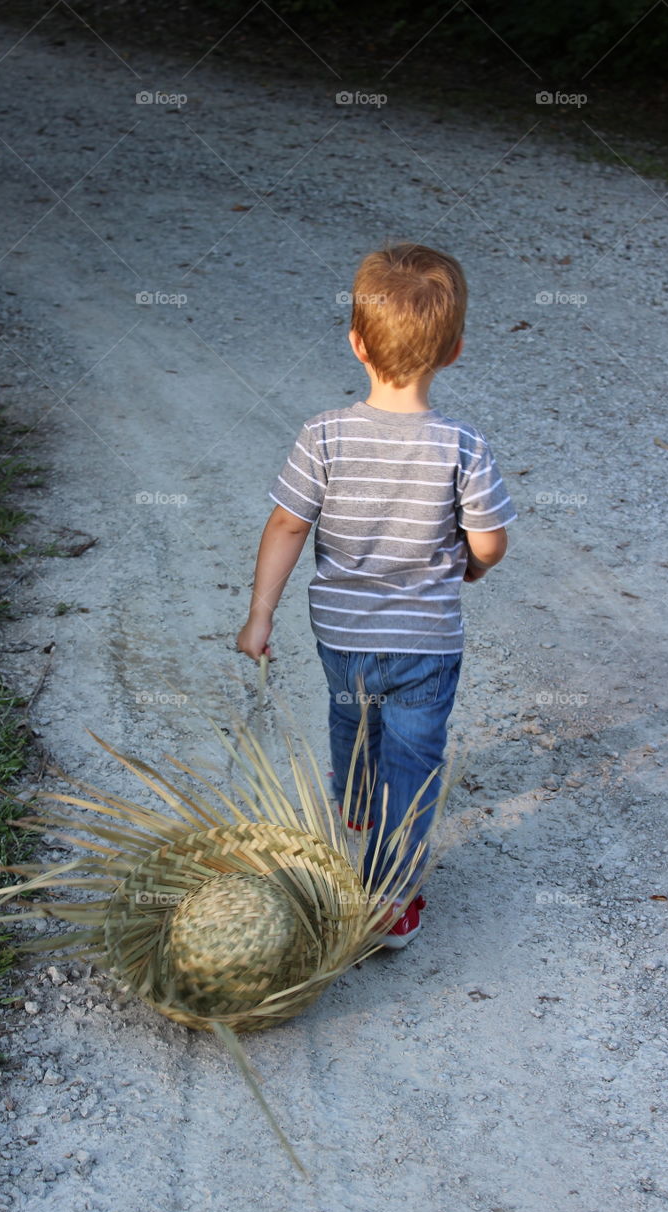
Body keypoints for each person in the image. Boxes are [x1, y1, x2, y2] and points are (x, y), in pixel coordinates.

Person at [236, 242, 516, 947]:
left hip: (343, 634)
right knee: (414, 762)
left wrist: (260, 613)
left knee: (351, 714)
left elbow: (286, 524)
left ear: (356, 342)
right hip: (426, 642)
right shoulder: (462, 445)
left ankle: (354, 801)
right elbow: (487, 542)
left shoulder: (323, 435)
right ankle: (391, 901)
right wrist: (473, 570)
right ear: (453, 352)